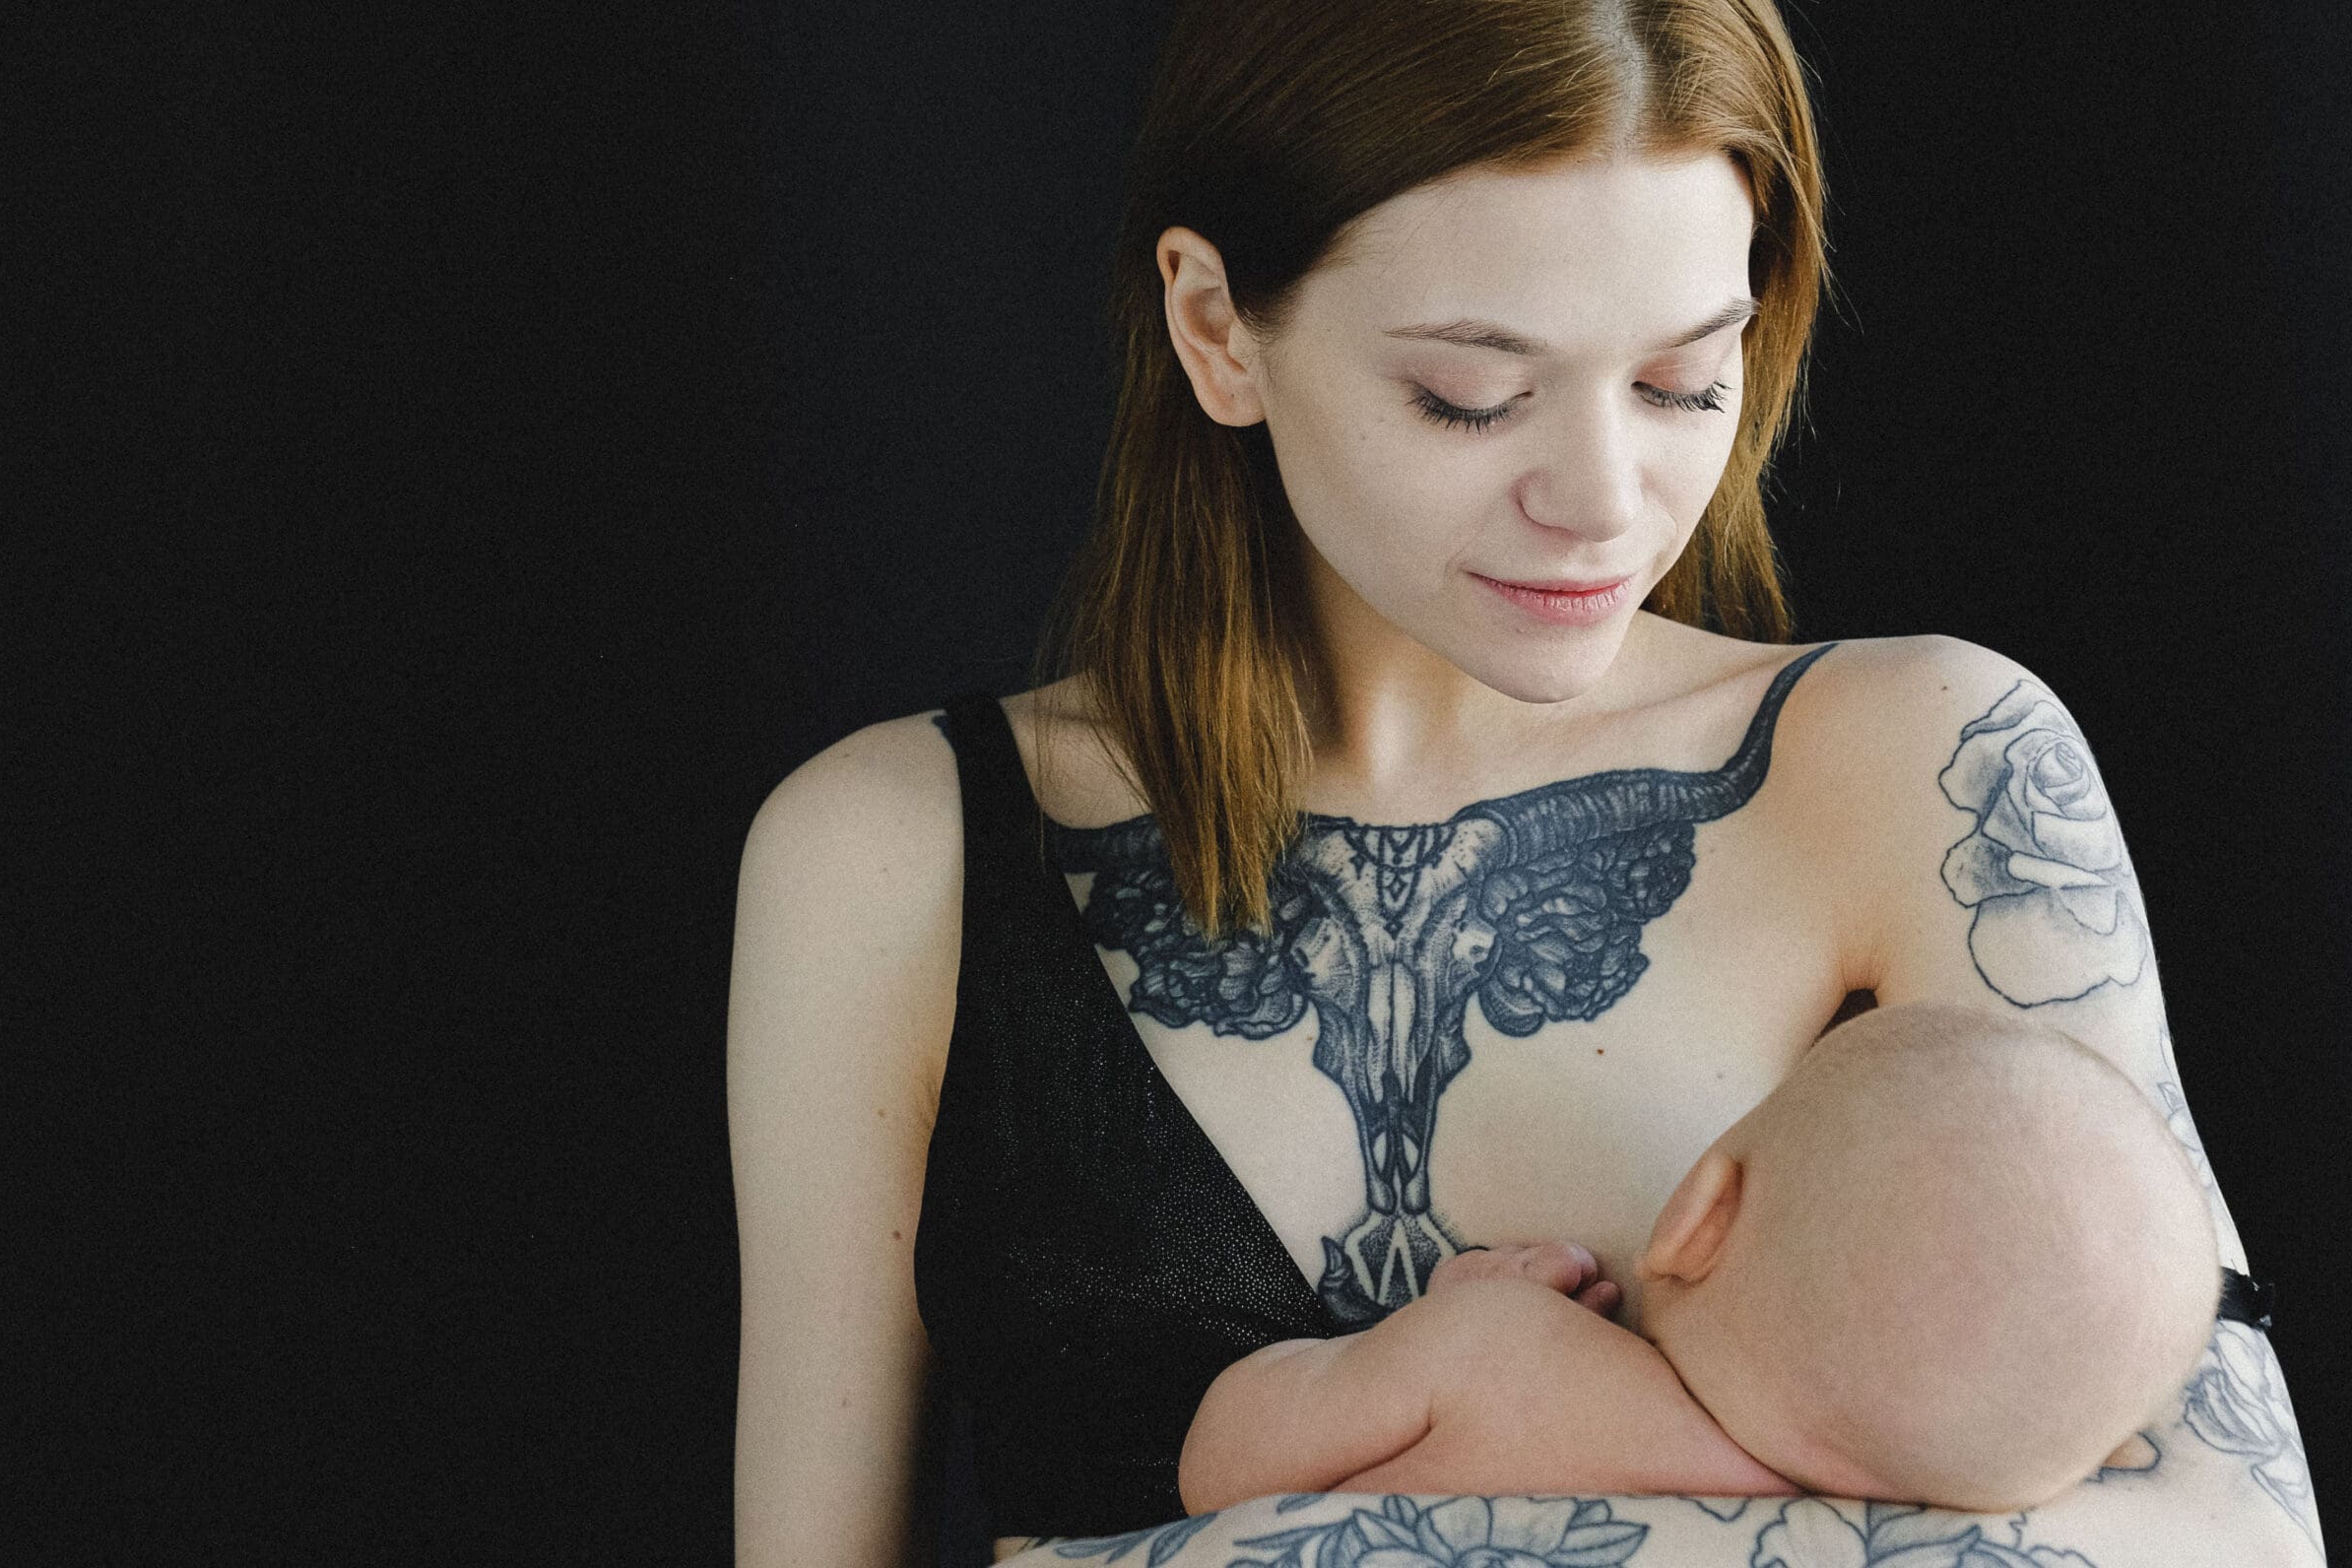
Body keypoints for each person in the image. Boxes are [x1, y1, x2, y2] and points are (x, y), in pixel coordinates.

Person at [727, 1, 2319, 1563]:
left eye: (1683, 379)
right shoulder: (889, 855)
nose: (1604, 502)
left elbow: (2235, 1540)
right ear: (1216, 328)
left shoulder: (1927, 761)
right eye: (1472, 394)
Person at [1178, 998, 2224, 1517]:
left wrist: (1436, 1317)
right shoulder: (1889, 1519)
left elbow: (1219, 1462)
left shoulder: (1503, 1351)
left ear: (1699, 1217)